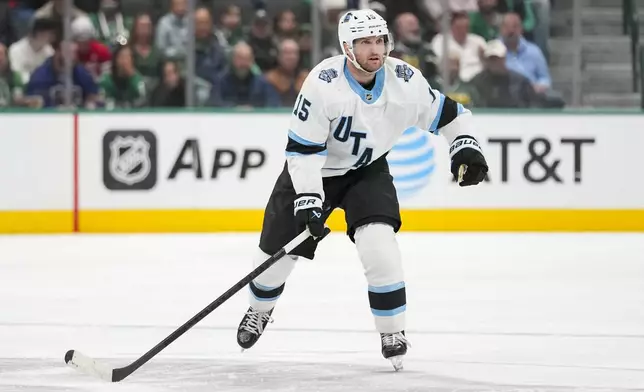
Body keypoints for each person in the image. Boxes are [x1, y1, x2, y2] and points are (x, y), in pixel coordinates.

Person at [235, 9, 488, 371]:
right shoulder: (322, 84)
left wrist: (464, 145)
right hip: (314, 172)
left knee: (379, 244)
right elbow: (303, 152)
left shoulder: (404, 80)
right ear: (346, 47)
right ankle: (259, 310)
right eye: (365, 42)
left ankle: (392, 331)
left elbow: (452, 116)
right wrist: (308, 201)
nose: (375, 49)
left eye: (380, 40)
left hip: (367, 171)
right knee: (277, 258)